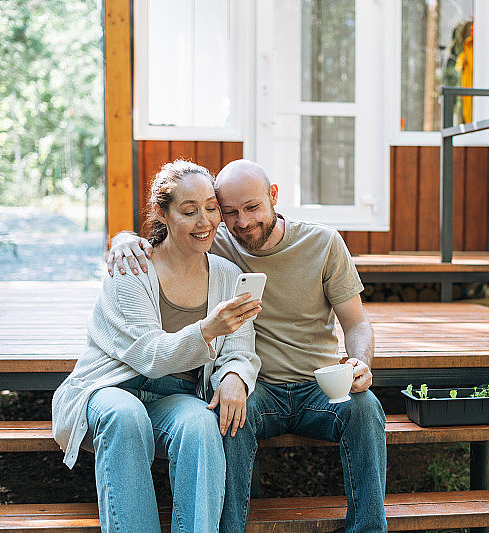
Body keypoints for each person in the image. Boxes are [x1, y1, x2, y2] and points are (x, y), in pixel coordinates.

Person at [108, 159, 387, 533]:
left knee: (366, 408)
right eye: (230, 212)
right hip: (257, 389)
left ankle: (369, 529)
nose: (242, 222)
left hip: (319, 385)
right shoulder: (216, 241)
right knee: (229, 412)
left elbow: (356, 322)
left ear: (273, 196)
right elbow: (169, 234)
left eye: (253, 207)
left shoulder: (323, 243)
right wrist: (123, 238)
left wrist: (360, 363)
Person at [53, 160, 262, 533]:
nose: (205, 221)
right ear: (161, 213)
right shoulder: (131, 270)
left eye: (211, 208)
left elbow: (241, 349)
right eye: (189, 211)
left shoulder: (228, 274)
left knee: (201, 422)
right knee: (125, 415)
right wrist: (207, 329)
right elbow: (150, 355)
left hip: (174, 395)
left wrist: (235, 375)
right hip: (111, 388)